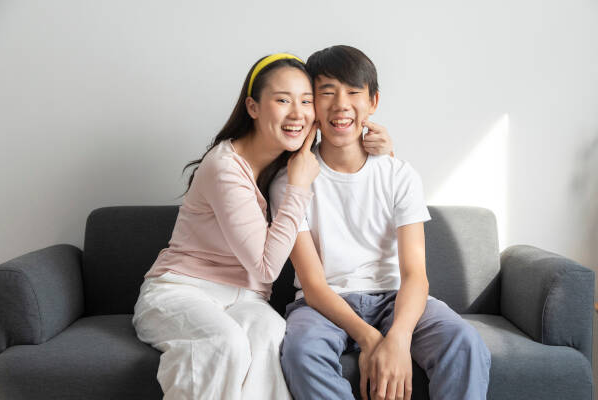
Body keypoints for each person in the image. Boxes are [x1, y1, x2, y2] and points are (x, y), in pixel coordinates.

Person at [270, 45, 491, 400]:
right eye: (326, 92)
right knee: (300, 352)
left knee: (463, 342)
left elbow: (415, 274)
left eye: (353, 92)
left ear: (373, 102)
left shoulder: (399, 175)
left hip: (394, 297)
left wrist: (399, 339)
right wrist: (371, 338)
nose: (341, 104)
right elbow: (312, 284)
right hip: (323, 303)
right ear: (310, 105)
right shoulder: (291, 181)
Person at [132, 53, 320, 400]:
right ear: (253, 107)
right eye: (282, 100)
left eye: (306, 101)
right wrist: (299, 189)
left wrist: (381, 145)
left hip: (245, 300)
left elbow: (347, 144)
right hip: (181, 291)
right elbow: (265, 267)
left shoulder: (286, 163)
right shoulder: (225, 167)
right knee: (225, 342)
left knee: (272, 333)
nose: (298, 113)